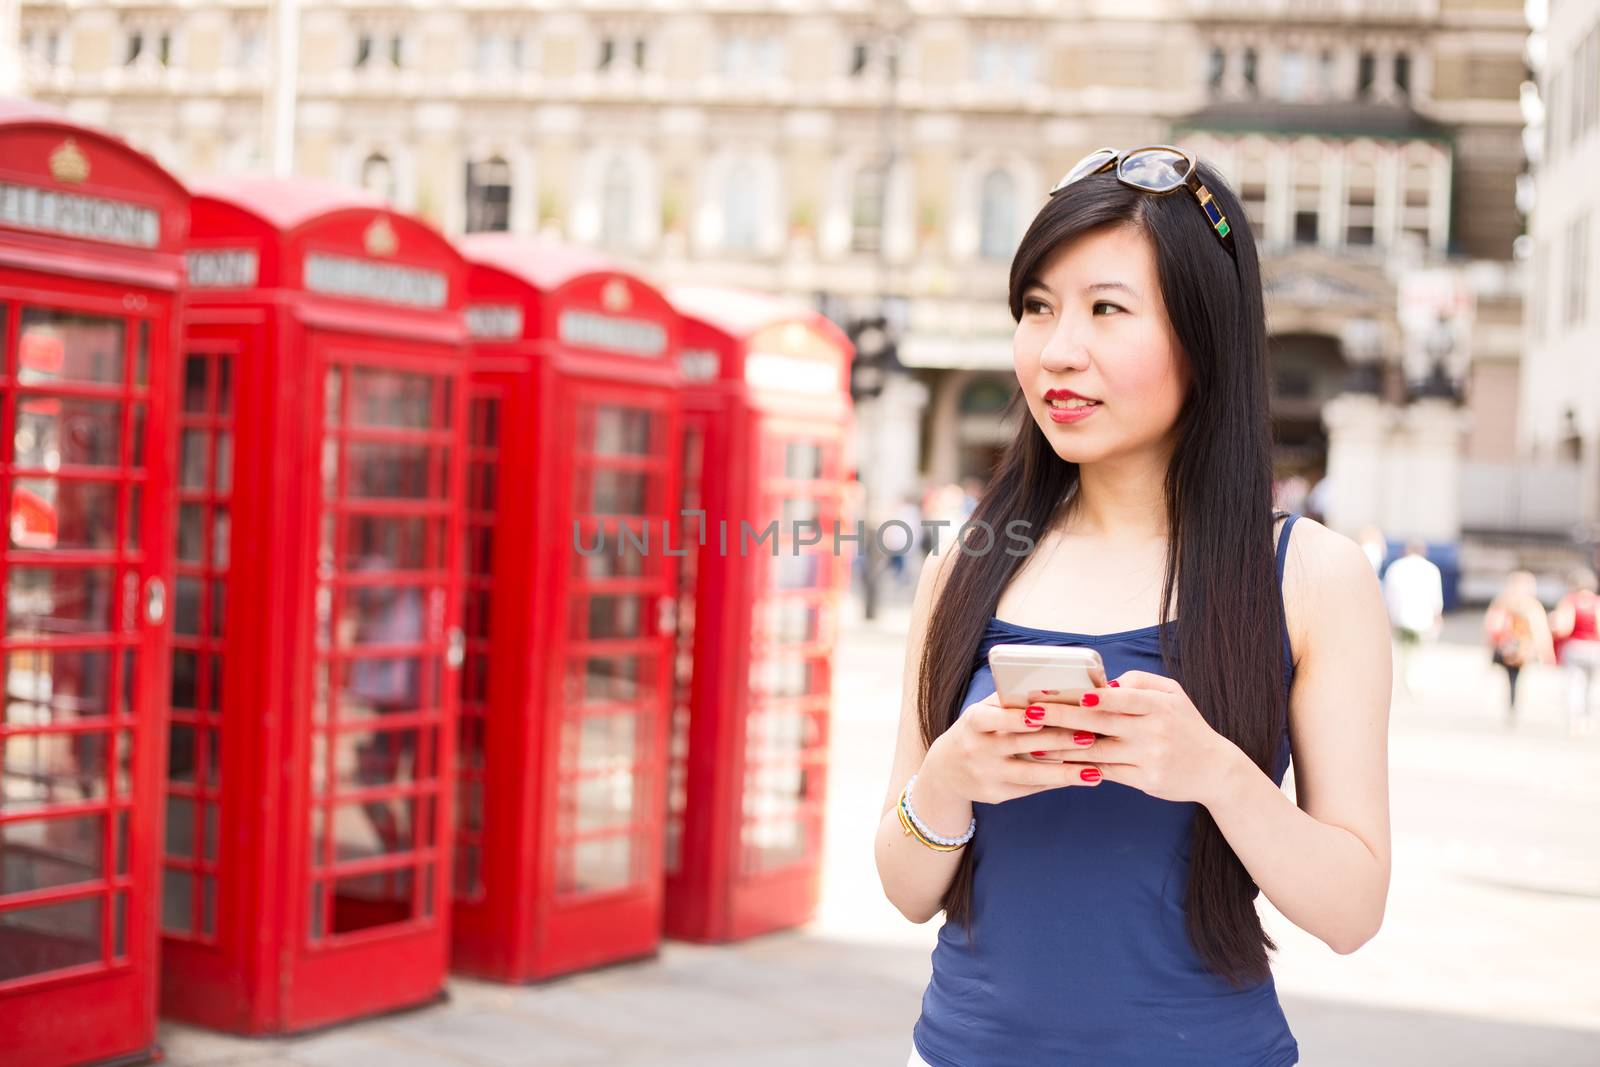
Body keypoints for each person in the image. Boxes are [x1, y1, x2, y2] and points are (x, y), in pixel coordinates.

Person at [875, 147, 1391, 1067]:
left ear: (1206, 335)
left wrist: (1216, 772)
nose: (1056, 350)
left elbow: (1352, 912)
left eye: (1107, 309)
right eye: (1037, 307)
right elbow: (907, 886)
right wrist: (947, 777)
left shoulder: (1311, 576)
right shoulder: (965, 566)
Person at [1482, 571, 1555, 724]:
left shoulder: (1502, 601)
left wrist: (1490, 646)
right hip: (1522, 648)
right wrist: (1545, 652)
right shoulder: (1531, 605)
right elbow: (1539, 629)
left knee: (1511, 678)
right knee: (1515, 678)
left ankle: (1511, 703)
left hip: (1505, 647)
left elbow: (1491, 624)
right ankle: (1512, 704)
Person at [1382, 539, 1443, 696]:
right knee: (1419, 654)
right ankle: (1414, 683)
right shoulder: (1431, 570)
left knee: (1404, 653)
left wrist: (1389, 617)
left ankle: (1406, 680)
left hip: (1400, 618)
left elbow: (1388, 596)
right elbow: (1436, 598)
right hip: (1423, 619)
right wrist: (1437, 617)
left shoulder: (1395, 568)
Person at [1547, 568, 1598, 734]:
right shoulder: (1597, 603)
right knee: (1591, 687)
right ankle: (1587, 718)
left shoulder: (1570, 601)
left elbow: (1564, 627)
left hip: (1575, 646)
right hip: (1594, 648)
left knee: (1575, 685)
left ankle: (1575, 721)